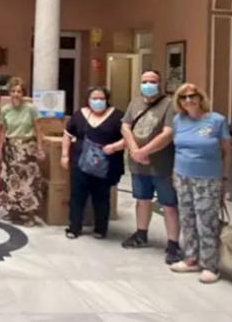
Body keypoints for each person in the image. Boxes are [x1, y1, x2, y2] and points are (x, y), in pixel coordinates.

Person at [169, 83, 232, 284]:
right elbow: (176, 148)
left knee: (206, 221)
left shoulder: (216, 120)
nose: (188, 100)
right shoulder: (179, 120)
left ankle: (210, 265)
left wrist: (224, 179)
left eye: (192, 96)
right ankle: (191, 258)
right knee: (187, 218)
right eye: (183, 97)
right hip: (182, 175)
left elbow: (226, 152)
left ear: (200, 97)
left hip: (208, 178)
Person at [121, 70, 182, 264]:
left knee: (169, 204)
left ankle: (173, 244)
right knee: (142, 199)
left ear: (160, 83)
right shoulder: (135, 102)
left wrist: (145, 151)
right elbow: (125, 126)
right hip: (138, 164)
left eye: (152, 81)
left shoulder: (169, 105)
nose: (148, 85)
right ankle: (141, 234)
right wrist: (134, 150)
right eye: (145, 81)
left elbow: (168, 133)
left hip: (161, 164)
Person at [62, 86, 125, 238]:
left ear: (107, 99)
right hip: (80, 163)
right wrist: (64, 155)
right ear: (88, 100)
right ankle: (74, 227)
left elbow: (129, 138)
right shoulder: (79, 115)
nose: (98, 102)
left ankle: (100, 228)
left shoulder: (117, 116)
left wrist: (115, 147)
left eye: (101, 99)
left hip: (105, 165)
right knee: (77, 195)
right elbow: (67, 134)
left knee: (102, 197)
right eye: (94, 99)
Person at [0, 77, 45, 227]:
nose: (16, 94)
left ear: (23, 93)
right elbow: (2, 131)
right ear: (9, 93)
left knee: (28, 182)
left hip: (27, 149)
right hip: (10, 149)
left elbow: (38, 129)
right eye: (13, 91)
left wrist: (40, 148)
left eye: (19, 91)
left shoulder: (31, 109)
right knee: (10, 181)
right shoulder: (5, 110)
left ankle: (30, 215)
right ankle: (13, 212)